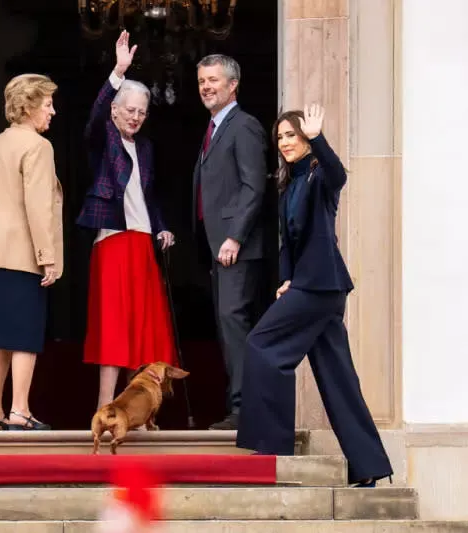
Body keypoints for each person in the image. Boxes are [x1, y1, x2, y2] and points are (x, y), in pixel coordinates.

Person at [236, 105, 393, 486]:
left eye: (291, 135)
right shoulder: (289, 184)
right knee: (338, 377)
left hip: (321, 286)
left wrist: (319, 137)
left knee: (261, 345)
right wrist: (287, 278)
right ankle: (369, 467)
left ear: (306, 138)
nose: (284, 142)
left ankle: (273, 447)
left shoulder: (320, 175)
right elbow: (289, 243)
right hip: (311, 286)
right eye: (280, 137)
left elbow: (339, 174)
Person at [77, 31, 177, 409]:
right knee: (114, 327)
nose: (135, 117)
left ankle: (138, 410)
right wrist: (118, 72)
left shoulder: (146, 148)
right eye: (129, 110)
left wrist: (162, 227)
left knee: (144, 328)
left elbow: (148, 196)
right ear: (115, 110)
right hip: (114, 241)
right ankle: (106, 408)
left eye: (141, 112)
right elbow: (95, 116)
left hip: (142, 242)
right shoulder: (103, 138)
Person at [0, 73, 64, 431]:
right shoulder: (38, 146)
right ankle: (20, 410)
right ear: (29, 107)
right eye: (48, 104)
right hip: (21, 252)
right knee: (24, 334)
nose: (52, 111)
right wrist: (47, 256)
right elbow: (38, 206)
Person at [192, 54, 268, 430]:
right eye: (202, 81)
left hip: (236, 247)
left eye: (214, 80)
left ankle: (244, 410)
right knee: (227, 324)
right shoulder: (214, 127)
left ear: (233, 85)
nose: (206, 87)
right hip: (218, 248)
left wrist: (235, 236)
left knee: (234, 321)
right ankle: (238, 406)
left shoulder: (244, 125)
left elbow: (254, 186)